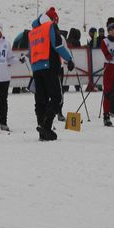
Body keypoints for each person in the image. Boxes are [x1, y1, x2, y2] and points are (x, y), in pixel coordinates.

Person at [22, 7, 74, 141]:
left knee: (41, 100)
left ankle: (42, 131)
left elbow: (30, 52)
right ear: (53, 19)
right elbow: (58, 45)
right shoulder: (50, 26)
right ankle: (46, 125)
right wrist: (69, 59)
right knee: (57, 97)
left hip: (36, 69)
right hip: (49, 66)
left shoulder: (33, 32)